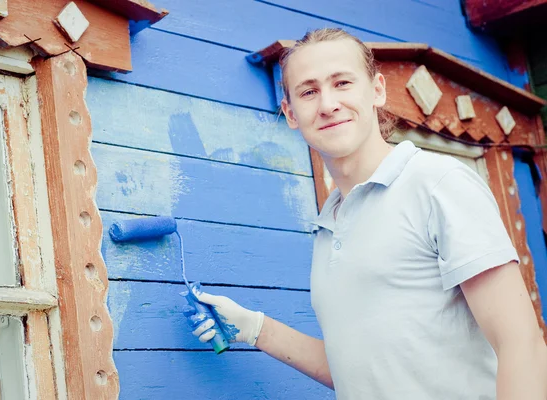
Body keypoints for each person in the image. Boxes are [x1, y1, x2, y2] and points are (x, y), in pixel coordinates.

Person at [182, 28, 547, 399]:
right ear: (291, 113)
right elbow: (359, 372)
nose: (327, 104)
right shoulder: (328, 224)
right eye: (309, 92)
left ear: (377, 90)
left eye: (342, 83)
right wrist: (255, 328)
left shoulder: (438, 183)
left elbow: (522, 345)